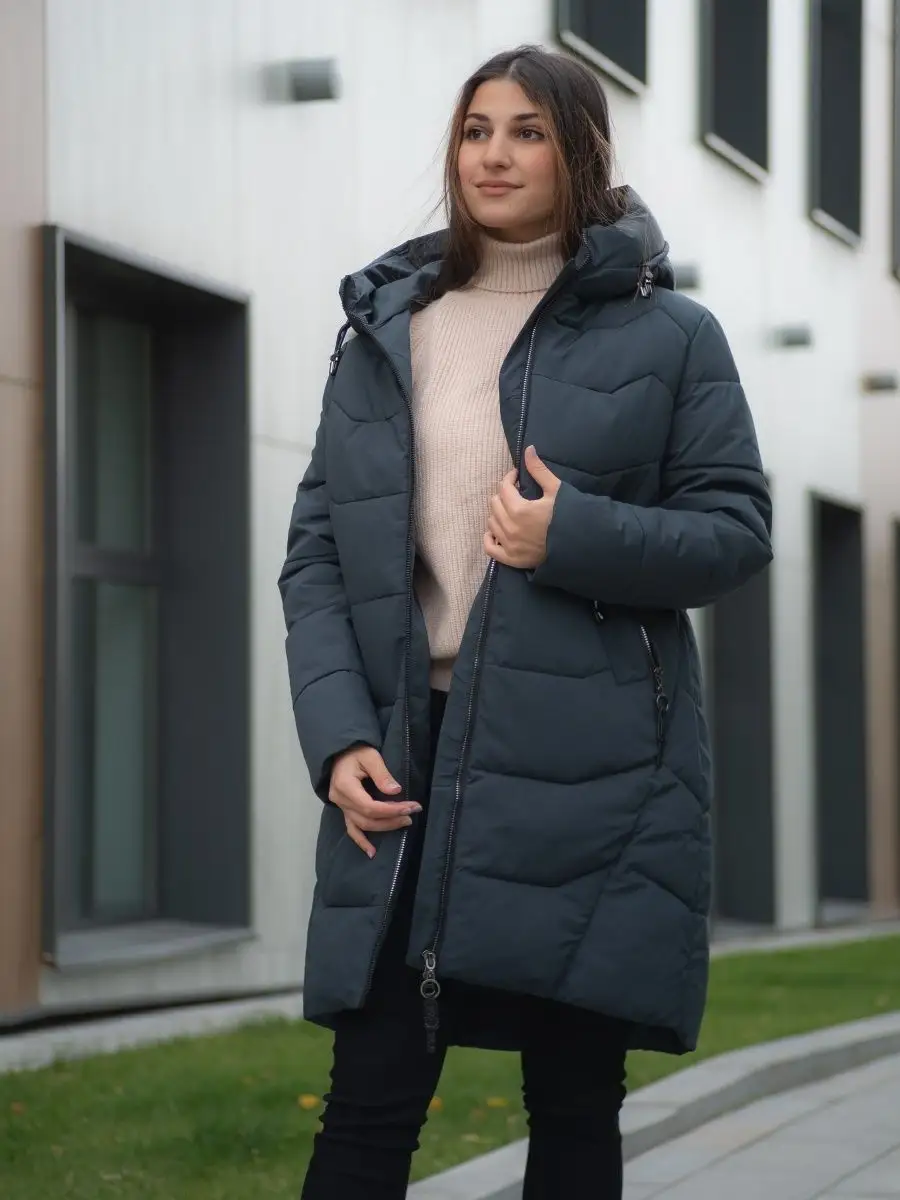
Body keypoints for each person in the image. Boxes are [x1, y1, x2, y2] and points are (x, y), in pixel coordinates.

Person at [279, 44, 772, 1200]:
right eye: (475, 130)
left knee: (573, 1101)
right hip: (406, 757)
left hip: (594, 769)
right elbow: (318, 557)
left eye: (527, 132)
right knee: (369, 1098)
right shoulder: (387, 330)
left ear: (580, 152)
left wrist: (572, 535)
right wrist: (339, 738)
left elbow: (736, 531)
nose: (492, 156)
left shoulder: (672, 336)